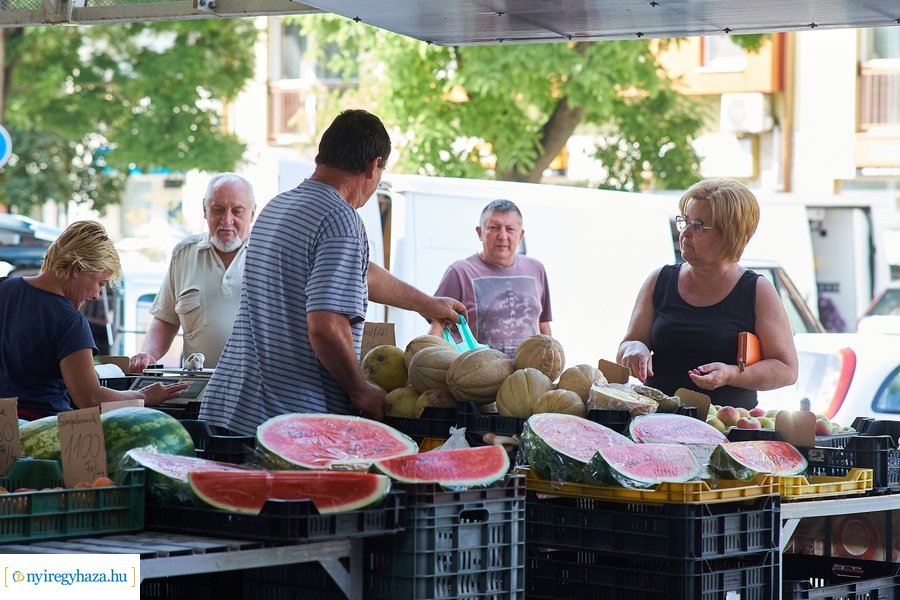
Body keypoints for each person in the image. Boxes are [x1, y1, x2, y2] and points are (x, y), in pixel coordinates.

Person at [199, 109, 465, 435]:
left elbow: (354, 272)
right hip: (290, 426)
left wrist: (425, 304)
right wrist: (359, 389)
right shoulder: (341, 219)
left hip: (228, 410)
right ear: (373, 165)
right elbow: (325, 325)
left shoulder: (278, 207)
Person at [616, 178, 798, 409]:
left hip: (726, 431)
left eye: (698, 225)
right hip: (656, 426)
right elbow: (628, 344)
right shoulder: (659, 280)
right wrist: (634, 348)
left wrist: (732, 374)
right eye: (685, 221)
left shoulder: (756, 290)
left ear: (730, 234)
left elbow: (787, 369)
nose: (685, 233)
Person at [0, 221, 188, 419]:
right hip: (44, 433)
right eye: (100, 283)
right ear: (77, 268)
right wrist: (144, 396)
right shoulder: (70, 322)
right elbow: (89, 398)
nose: (97, 295)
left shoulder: (3, 286)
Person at [128, 173, 256, 373]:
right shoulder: (184, 254)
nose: (227, 219)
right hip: (197, 390)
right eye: (218, 209)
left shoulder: (269, 254)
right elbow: (165, 319)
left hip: (253, 389)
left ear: (252, 213)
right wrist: (149, 356)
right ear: (205, 210)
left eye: (237, 211)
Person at [427, 199, 552, 358]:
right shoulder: (460, 272)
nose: (503, 236)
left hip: (529, 377)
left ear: (521, 235)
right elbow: (438, 328)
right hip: (476, 375)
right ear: (480, 232)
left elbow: (543, 326)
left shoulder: (536, 269)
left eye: (510, 229)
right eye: (494, 228)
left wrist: (550, 365)